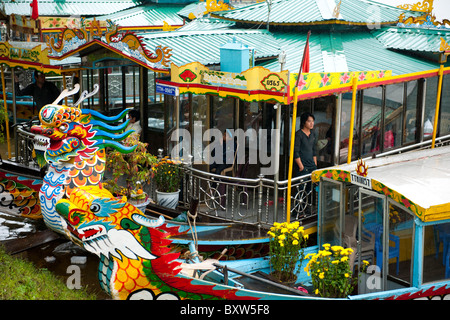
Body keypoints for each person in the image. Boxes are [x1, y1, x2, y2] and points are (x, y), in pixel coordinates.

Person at [293, 112, 317, 177]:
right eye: (309, 121)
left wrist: (315, 164)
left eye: (313, 121)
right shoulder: (299, 134)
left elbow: (314, 149)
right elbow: (295, 151)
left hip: (312, 165)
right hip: (303, 166)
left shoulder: (313, 133)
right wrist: (301, 166)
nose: (312, 123)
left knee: (312, 185)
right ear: (304, 122)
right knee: (302, 186)